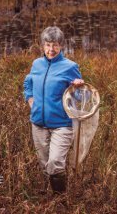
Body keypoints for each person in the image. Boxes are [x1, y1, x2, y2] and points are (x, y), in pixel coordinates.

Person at [23, 26, 84, 194]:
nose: (51, 49)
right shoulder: (37, 64)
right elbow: (28, 83)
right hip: (38, 123)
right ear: (43, 45)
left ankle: (60, 199)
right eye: (48, 45)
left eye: (55, 45)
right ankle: (49, 196)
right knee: (44, 164)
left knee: (55, 162)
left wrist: (78, 87)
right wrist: (30, 100)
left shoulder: (70, 66)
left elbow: (80, 99)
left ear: (61, 46)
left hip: (62, 124)